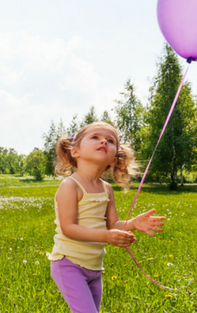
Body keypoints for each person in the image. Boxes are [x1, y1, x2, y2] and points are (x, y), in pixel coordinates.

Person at [48, 122, 165, 313]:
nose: (103, 141)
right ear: (75, 151)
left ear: (113, 159)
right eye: (95, 137)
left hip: (95, 268)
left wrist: (133, 223)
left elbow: (113, 224)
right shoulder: (71, 186)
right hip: (69, 264)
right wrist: (106, 237)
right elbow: (68, 228)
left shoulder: (106, 189)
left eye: (111, 141)